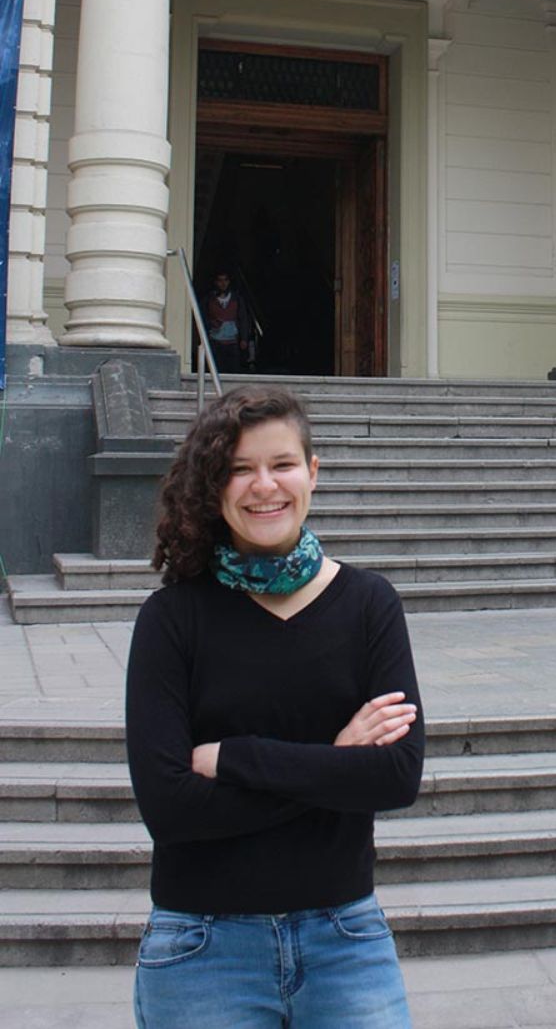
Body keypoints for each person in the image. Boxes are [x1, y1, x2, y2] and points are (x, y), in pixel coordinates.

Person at [126, 385, 423, 1028]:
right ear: (215, 486)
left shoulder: (370, 605)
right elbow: (169, 809)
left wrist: (235, 758)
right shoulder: (172, 619)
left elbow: (396, 776)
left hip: (345, 939)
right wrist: (336, 764)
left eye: (282, 464)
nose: (265, 486)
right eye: (239, 469)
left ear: (312, 472)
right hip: (201, 947)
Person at [202, 268, 251, 373]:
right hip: (215, 341)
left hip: (233, 342)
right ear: (215, 282)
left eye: (225, 280)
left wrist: (244, 338)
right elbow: (204, 319)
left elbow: (243, 319)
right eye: (220, 280)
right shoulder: (209, 299)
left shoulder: (237, 299)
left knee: (233, 370)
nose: (223, 283)